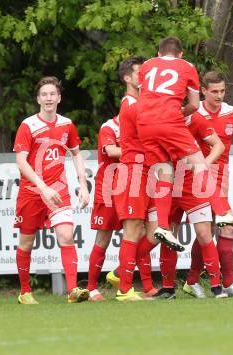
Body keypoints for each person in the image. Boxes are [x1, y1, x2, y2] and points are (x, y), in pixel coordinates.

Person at [13, 76, 90, 304]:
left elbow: (76, 154)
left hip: (58, 191)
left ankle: (73, 291)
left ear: (59, 98)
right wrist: (42, 187)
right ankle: (25, 292)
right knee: (26, 242)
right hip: (32, 193)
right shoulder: (28, 125)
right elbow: (21, 161)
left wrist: (83, 186)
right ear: (38, 99)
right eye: (44, 94)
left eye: (52, 94)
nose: (48, 98)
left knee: (66, 236)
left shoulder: (67, 124)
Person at [184, 71, 233, 297]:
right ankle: (228, 282)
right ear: (203, 91)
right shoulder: (193, 114)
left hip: (220, 177)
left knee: (209, 229)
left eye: (223, 91)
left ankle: (193, 281)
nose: (219, 95)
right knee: (226, 225)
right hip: (197, 177)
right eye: (214, 91)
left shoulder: (231, 113)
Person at [136, 37, 208, 252]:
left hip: (145, 124)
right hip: (169, 122)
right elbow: (194, 104)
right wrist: (180, 112)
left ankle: (163, 227)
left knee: (164, 173)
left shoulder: (147, 65)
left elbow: (144, 99)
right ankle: (223, 211)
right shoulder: (187, 67)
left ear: (158, 53)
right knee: (201, 165)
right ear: (181, 54)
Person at [156, 113, 227, 299]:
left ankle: (216, 287)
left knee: (204, 233)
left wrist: (203, 165)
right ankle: (168, 289)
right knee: (168, 236)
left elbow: (219, 145)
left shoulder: (194, 119)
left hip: (193, 185)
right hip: (168, 183)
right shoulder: (161, 117)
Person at [111, 56, 160, 301]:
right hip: (132, 172)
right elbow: (152, 132)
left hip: (147, 173)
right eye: (139, 73)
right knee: (132, 231)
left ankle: (121, 272)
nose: (144, 78)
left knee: (153, 232)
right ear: (127, 78)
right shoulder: (130, 104)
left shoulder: (141, 103)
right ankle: (124, 289)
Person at [87, 115, 121, 301]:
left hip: (132, 189)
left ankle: (126, 279)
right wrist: (140, 150)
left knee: (139, 231)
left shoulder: (141, 125)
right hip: (107, 191)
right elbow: (111, 150)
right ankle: (92, 289)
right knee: (103, 239)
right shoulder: (109, 127)